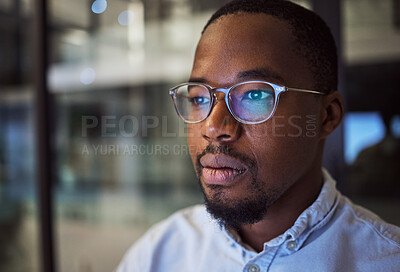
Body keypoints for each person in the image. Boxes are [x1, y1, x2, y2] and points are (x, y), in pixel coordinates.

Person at [117, 0, 400, 271]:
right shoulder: (158, 254)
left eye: (255, 95)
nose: (213, 127)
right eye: (199, 98)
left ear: (326, 116)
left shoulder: (385, 261)